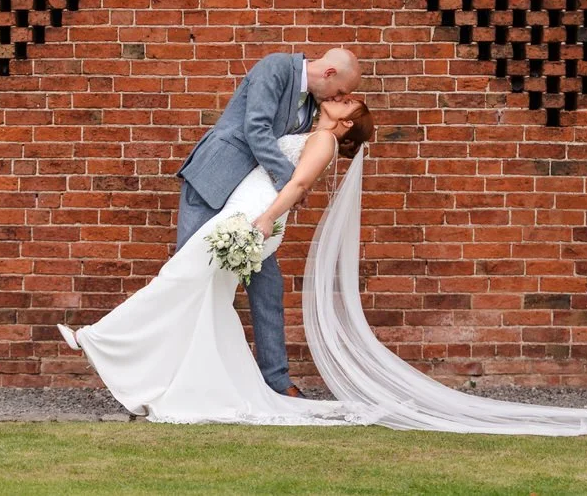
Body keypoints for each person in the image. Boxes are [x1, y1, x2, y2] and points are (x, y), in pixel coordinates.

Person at [57, 95, 380, 425]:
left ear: (348, 122)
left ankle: (95, 339)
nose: (339, 97)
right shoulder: (312, 132)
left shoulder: (325, 139)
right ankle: (204, 386)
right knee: (207, 299)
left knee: (178, 278)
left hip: (251, 219)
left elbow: (298, 184)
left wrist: (267, 219)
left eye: (347, 102)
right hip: (242, 211)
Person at [173, 47, 361, 397]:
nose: (339, 98)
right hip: (213, 182)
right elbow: (256, 128)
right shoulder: (275, 68)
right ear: (330, 72)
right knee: (187, 277)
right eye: (340, 93)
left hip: (251, 205)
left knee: (268, 286)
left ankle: (276, 380)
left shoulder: (313, 107)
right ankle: (175, 377)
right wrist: (289, 181)